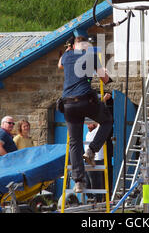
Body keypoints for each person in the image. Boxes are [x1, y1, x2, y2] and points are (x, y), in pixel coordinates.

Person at [58, 35, 113, 193]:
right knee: (107, 121)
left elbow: (60, 65)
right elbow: (105, 79)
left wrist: (69, 50)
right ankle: (92, 150)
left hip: (68, 103)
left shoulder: (67, 56)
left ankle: (79, 182)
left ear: (73, 46)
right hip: (85, 101)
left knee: (75, 142)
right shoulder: (91, 56)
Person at [84, 123, 105, 202]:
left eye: (89, 124)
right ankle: (90, 199)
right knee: (87, 182)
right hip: (87, 159)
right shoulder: (89, 132)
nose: (87, 126)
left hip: (97, 159)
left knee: (95, 181)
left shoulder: (98, 130)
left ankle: (97, 199)